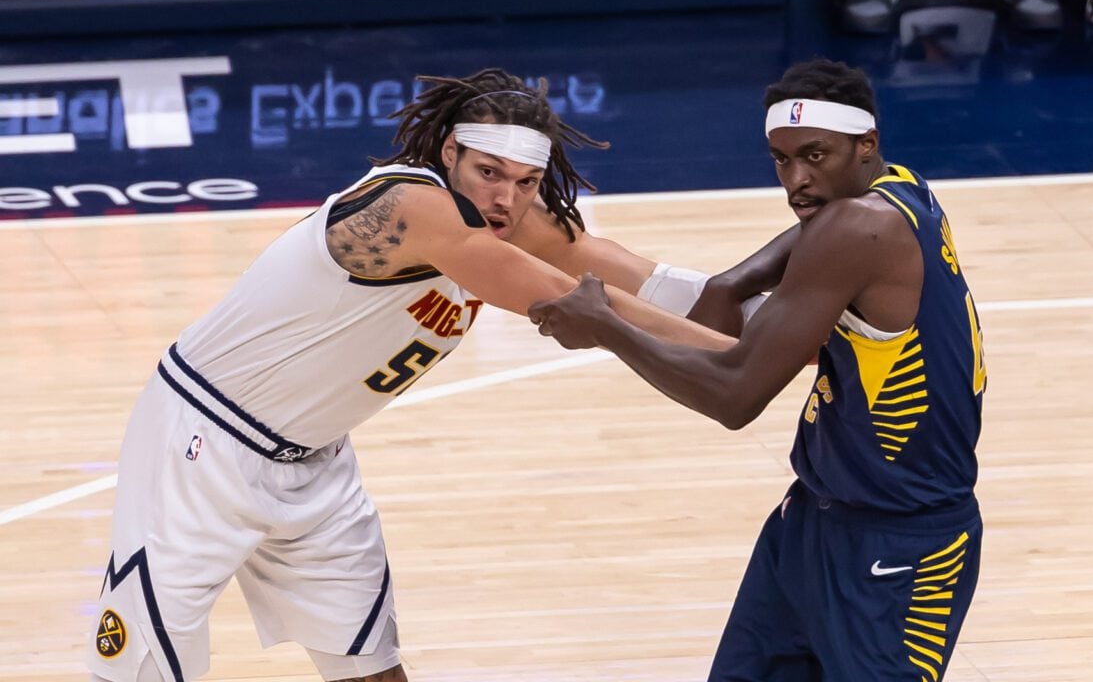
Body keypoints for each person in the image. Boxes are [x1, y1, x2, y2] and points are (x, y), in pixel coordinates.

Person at [85, 68, 738, 682]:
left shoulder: (505, 214)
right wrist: (742, 362)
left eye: (525, 181)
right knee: (144, 669)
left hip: (316, 460)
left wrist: (785, 314)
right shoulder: (410, 207)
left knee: (372, 667)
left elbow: (637, 275)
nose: (505, 197)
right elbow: (585, 302)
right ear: (450, 151)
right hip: (202, 445)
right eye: (489, 172)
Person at [529, 59, 988, 681]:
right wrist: (730, 282)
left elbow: (735, 397)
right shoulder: (901, 189)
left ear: (866, 146)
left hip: (902, 547)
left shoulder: (858, 227)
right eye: (781, 158)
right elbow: (740, 287)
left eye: (815, 156)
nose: (795, 180)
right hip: (810, 523)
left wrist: (608, 328)